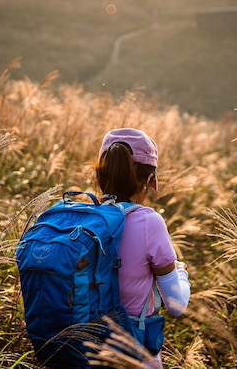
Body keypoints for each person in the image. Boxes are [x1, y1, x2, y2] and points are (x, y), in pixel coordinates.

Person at [97, 128, 191, 368]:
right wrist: (180, 272)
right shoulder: (149, 222)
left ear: (100, 176)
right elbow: (177, 305)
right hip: (132, 356)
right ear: (150, 181)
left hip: (82, 352)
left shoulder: (82, 218)